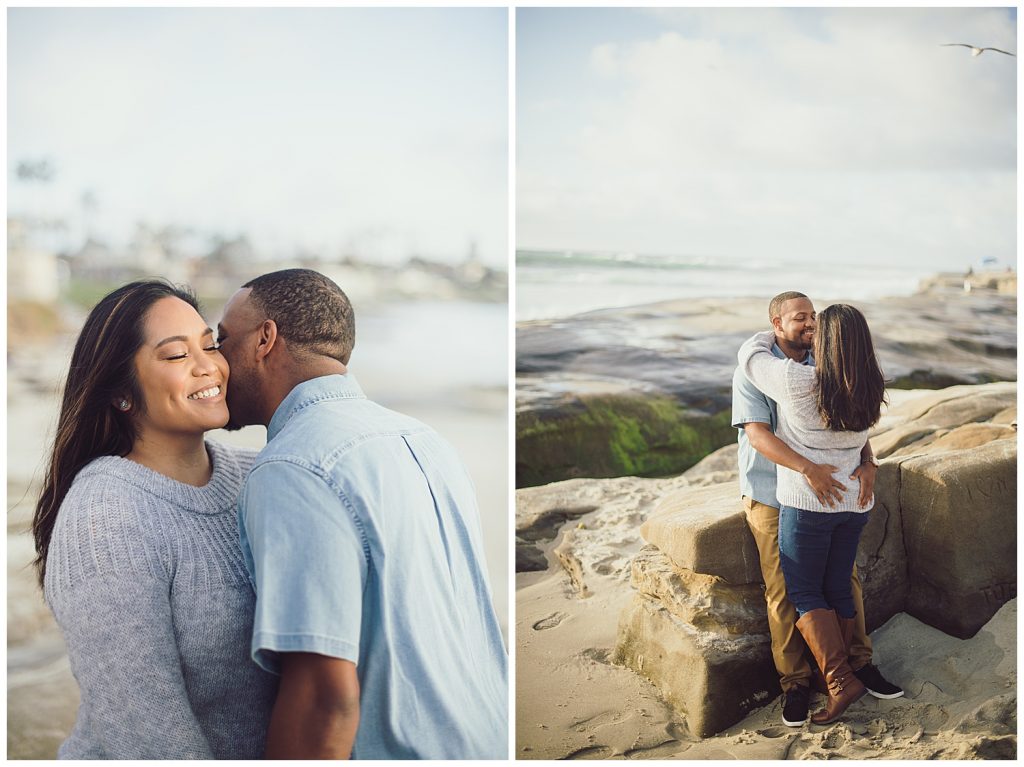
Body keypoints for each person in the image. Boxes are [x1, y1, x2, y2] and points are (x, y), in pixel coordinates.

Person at [217, 268, 508, 759]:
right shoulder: (425, 440)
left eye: (222, 339)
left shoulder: (293, 468)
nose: (214, 360)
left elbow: (323, 697)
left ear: (265, 339)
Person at [32, 280, 277, 759]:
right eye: (175, 356)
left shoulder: (261, 476)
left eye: (209, 345)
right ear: (122, 394)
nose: (209, 366)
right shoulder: (104, 514)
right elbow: (144, 732)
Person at [732, 293, 901, 727]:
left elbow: (851, 425)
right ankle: (797, 683)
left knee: (839, 582)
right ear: (776, 323)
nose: (809, 324)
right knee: (783, 592)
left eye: (815, 318)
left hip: (820, 498)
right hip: (776, 490)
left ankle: (849, 671)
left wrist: (869, 461)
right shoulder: (781, 373)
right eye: (800, 318)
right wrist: (810, 469)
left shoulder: (820, 370)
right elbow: (758, 435)